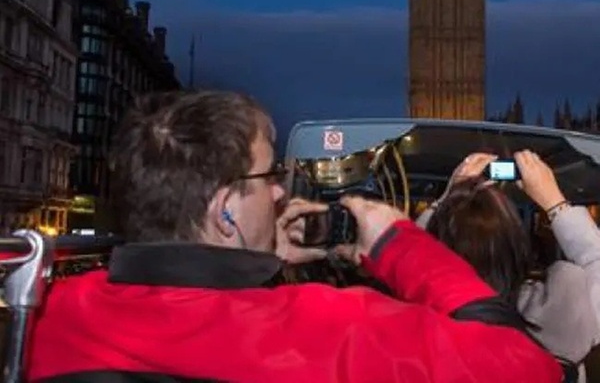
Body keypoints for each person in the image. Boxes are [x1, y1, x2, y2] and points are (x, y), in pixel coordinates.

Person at [24, 91, 562, 382]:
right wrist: (397, 244)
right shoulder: (333, 329)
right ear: (225, 209)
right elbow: (525, 367)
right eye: (270, 176)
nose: (282, 192)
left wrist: (256, 262)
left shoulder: (50, 311)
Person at [418, 150, 600, 382]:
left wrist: (447, 200)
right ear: (518, 246)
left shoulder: (420, 317)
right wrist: (555, 203)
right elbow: (595, 258)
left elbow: (401, 259)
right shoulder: (560, 320)